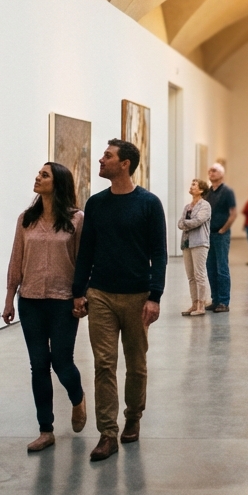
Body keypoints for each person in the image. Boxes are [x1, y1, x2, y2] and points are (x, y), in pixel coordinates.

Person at [71, 140, 166, 462]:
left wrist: (155, 297)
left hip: (138, 296)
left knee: (136, 365)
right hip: (101, 294)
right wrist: (79, 290)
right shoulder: (96, 204)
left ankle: (134, 417)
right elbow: (86, 251)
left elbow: (160, 254)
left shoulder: (149, 203)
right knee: (104, 364)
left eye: (107, 156)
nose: (101, 159)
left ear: (125, 164)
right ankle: (107, 433)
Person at [3, 162, 86, 453]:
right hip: (30, 302)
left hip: (64, 302)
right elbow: (16, 261)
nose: (37, 177)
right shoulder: (26, 219)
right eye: (38, 173)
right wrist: (9, 299)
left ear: (58, 183)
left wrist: (81, 297)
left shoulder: (77, 219)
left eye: (44, 175)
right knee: (38, 365)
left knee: (62, 363)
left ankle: (77, 399)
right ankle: (45, 429)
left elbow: (82, 263)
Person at [204, 163, 236, 313]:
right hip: (208, 235)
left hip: (221, 235)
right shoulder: (208, 193)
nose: (211, 172)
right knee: (211, 267)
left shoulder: (227, 192)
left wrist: (224, 229)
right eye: (210, 170)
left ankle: (224, 301)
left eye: (214, 170)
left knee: (222, 268)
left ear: (221, 174)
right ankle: (215, 300)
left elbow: (233, 213)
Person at [177, 179, 212, 317]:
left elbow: (198, 221)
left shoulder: (205, 206)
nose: (191, 187)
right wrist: (186, 223)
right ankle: (194, 303)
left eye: (194, 185)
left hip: (199, 243)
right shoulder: (187, 207)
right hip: (186, 243)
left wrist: (185, 223)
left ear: (201, 190)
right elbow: (180, 223)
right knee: (191, 276)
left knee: (199, 275)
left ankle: (201, 305)